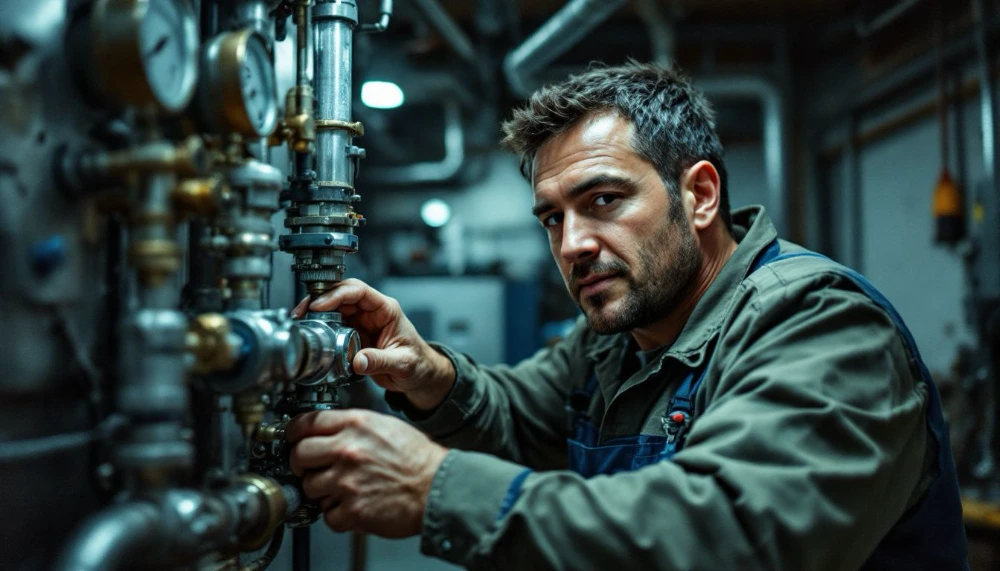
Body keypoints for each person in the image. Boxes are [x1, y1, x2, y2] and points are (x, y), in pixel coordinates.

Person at [286, 62, 968, 569]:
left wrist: (435, 488)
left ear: (699, 195)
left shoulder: (818, 326)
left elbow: (730, 538)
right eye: (553, 218)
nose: (572, 244)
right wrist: (429, 373)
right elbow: (519, 419)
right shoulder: (615, 342)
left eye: (604, 200)